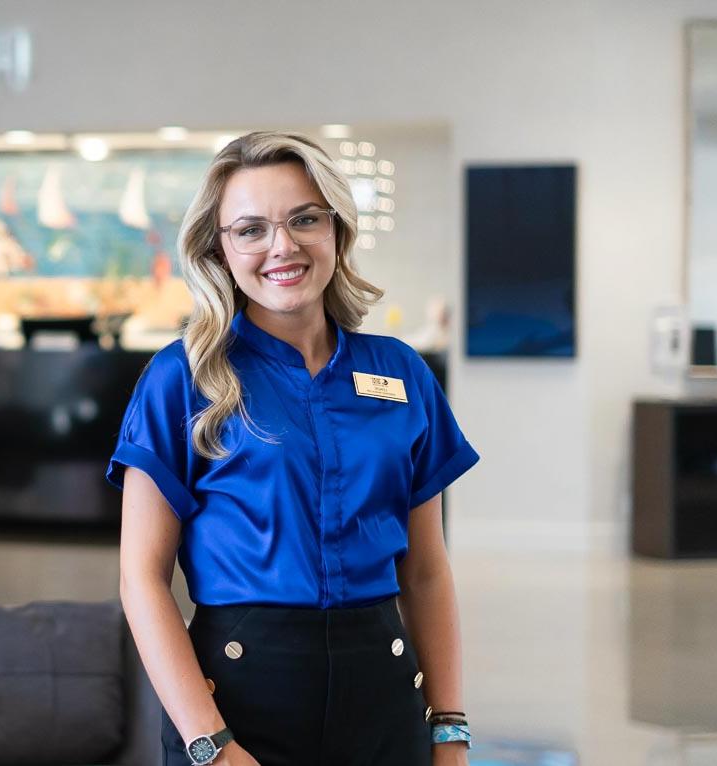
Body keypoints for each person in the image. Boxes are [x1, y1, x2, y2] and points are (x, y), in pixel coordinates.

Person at [109, 132, 480, 766]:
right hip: (241, 701)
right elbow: (142, 580)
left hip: (384, 695)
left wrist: (449, 730)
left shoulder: (402, 373)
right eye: (250, 229)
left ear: (337, 229)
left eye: (305, 219)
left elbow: (425, 572)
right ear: (220, 250)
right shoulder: (182, 378)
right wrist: (210, 743)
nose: (283, 246)